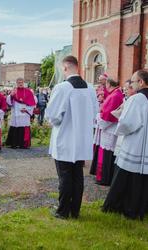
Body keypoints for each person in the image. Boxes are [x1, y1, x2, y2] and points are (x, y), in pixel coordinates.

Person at [45, 56, 98, 219]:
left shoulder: (62, 88)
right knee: (78, 176)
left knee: (65, 176)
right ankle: (75, 210)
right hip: (82, 140)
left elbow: (53, 116)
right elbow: (95, 113)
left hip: (65, 139)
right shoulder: (90, 88)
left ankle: (62, 211)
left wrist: (55, 121)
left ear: (66, 68)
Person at [103, 70, 148, 220]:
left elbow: (128, 123)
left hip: (135, 144)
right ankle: (142, 208)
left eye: (134, 82)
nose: (132, 84)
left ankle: (123, 207)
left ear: (141, 82)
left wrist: (120, 123)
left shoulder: (137, 99)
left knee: (125, 176)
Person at [90, 78, 124, 186]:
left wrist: (98, 116)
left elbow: (107, 116)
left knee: (106, 155)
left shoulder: (115, 95)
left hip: (109, 130)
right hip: (109, 129)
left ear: (109, 84)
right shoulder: (116, 93)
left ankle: (104, 178)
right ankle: (103, 177)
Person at [5, 78, 36, 149]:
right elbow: (9, 102)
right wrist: (11, 96)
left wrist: (26, 110)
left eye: (21, 82)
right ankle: (14, 144)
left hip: (24, 114)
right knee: (15, 128)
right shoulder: (14, 91)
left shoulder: (28, 91)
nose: (20, 83)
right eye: (19, 82)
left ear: (23, 82)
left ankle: (23, 144)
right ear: (16, 83)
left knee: (23, 128)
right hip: (15, 113)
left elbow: (32, 104)